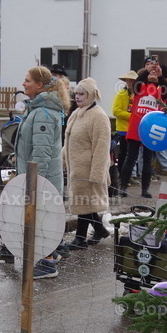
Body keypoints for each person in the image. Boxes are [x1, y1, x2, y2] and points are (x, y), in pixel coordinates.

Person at [11, 65, 71, 278]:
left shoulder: (44, 113)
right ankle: (51, 255)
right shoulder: (38, 108)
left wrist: (37, 185)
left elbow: (42, 153)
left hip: (42, 178)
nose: (23, 83)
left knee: (42, 218)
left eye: (27, 80)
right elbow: (32, 144)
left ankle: (47, 264)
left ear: (39, 85)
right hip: (36, 176)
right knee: (41, 218)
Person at [63, 78, 111, 249]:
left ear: (91, 95)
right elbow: (68, 140)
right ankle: (98, 231)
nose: (77, 97)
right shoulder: (76, 113)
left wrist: (97, 173)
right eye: (76, 94)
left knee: (86, 203)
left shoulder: (99, 116)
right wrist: (62, 160)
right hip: (76, 169)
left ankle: (81, 238)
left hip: (89, 169)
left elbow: (102, 147)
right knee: (84, 203)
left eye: (82, 94)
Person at [119, 58, 167, 198]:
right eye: (150, 73)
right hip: (136, 127)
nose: (152, 73)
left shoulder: (159, 90)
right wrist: (147, 71)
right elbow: (136, 83)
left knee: (147, 160)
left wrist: (160, 75)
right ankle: (123, 187)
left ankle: (145, 189)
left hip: (151, 129)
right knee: (131, 158)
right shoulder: (140, 88)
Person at [111, 70, 137, 194]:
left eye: (132, 81)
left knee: (131, 155)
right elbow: (116, 111)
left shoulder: (137, 95)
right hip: (123, 129)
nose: (130, 82)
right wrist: (131, 116)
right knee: (123, 154)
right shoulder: (121, 94)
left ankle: (128, 176)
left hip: (133, 128)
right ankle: (122, 176)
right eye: (128, 80)